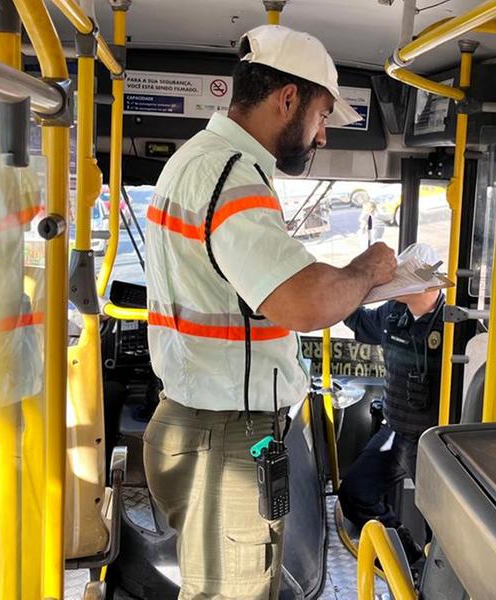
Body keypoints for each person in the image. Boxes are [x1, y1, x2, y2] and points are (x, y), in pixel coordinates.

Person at [140, 24, 397, 599]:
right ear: (288, 99)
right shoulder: (233, 178)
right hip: (229, 436)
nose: (323, 134)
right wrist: (367, 271)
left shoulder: (197, 162)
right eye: (322, 114)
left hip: (195, 421)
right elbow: (303, 304)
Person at [337, 243, 445, 568]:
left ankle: (433, 576)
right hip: (394, 430)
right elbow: (357, 321)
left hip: (432, 440)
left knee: (442, 526)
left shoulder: (458, 325)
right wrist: (346, 286)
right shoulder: (392, 314)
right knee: (354, 495)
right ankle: (407, 558)